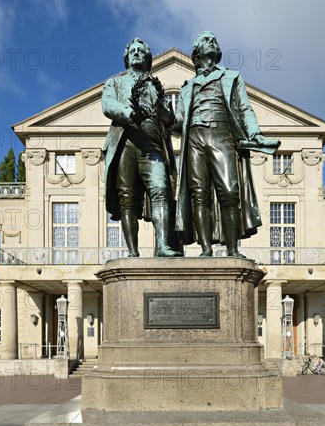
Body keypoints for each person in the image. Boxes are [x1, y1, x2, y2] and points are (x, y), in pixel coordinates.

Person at [174, 31, 280, 257]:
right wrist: (163, 115)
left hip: (222, 135)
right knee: (198, 194)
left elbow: (244, 109)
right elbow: (177, 123)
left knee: (229, 191)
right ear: (196, 54)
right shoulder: (187, 86)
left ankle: (232, 250)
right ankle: (205, 250)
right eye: (205, 40)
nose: (210, 41)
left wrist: (255, 133)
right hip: (193, 138)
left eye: (213, 40)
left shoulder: (231, 77)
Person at [102, 38, 181, 257]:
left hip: (152, 144)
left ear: (147, 58)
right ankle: (132, 252)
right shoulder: (115, 82)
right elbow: (107, 105)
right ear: (127, 58)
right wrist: (128, 113)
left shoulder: (156, 87)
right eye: (133, 51)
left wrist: (164, 112)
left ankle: (164, 245)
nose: (136, 53)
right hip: (125, 140)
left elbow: (170, 119)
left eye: (141, 51)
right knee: (127, 197)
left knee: (161, 191)